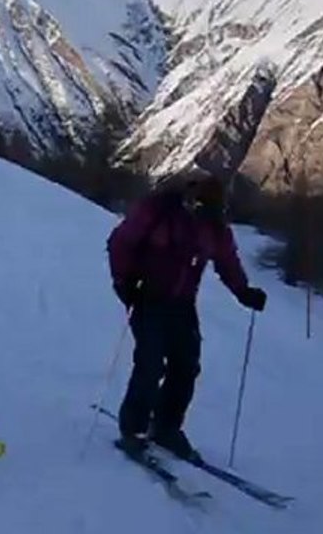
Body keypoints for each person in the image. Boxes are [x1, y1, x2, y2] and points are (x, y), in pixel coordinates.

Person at [106, 173, 267, 461]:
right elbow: (120, 242)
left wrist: (244, 292)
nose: (201, 213)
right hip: (146, 295)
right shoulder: (159, 210)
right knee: (150, 363)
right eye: (198, 207)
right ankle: (133, 429)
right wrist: (124, 282)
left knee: (186, 365)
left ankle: (166, 427)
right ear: (189, 197)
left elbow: (227, 261)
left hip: (181, 302)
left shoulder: (215, 227)